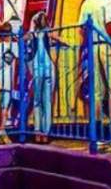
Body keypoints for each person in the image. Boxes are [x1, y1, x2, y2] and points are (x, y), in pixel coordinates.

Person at [27, 11, 67, 143]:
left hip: (39, 69)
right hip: (48, 69)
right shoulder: (47, 33)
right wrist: (66, 44)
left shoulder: (33, 34)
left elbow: (23, 39)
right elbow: (62, 40)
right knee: (46, 101)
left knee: (38, 101)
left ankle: (39, 132)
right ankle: (45, 132)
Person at [0, 22, 18, 143]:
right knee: (5, 106)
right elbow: (18, 61)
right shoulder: (14, 46)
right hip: (7, 80)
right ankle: (2, 131)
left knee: (2, 105)